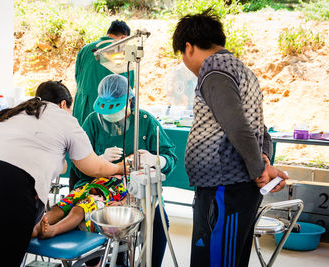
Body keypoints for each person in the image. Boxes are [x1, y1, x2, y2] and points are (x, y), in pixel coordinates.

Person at [0, 81, 126, 267]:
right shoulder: (64, 118)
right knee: (3, 259)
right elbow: (95, 168)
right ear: (64, 104)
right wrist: (119, 168)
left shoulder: (17, 113)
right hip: (7, 180)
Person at [172, 9, 288, 267]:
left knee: (218, 259)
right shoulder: (240, 69)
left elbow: (238, 127)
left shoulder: (214, 71)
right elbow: (259, 127)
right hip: (226, 187)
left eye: (182, 53)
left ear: (189, 47)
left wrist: (260, 169)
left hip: (225, 188)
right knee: (225, 256)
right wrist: (264, 160)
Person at [71, 74, 177, 267]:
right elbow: (77, 167)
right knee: (91, 220)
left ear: (130, 100)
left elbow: (171, 158)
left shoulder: (145, 121)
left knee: (159, 227)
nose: (111, 114)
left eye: (116, 107)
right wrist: (97, 160)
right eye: (107, 107)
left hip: (137, 192)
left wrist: (157, 159)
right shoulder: (93, 121)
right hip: (98, 188)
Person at [73, 19, 134, 126]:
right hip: (105, 109)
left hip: (81, 106)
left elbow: (77, 77)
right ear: (124, 37)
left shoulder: (85, 49)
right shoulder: (119, 51)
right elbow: (127, 86)